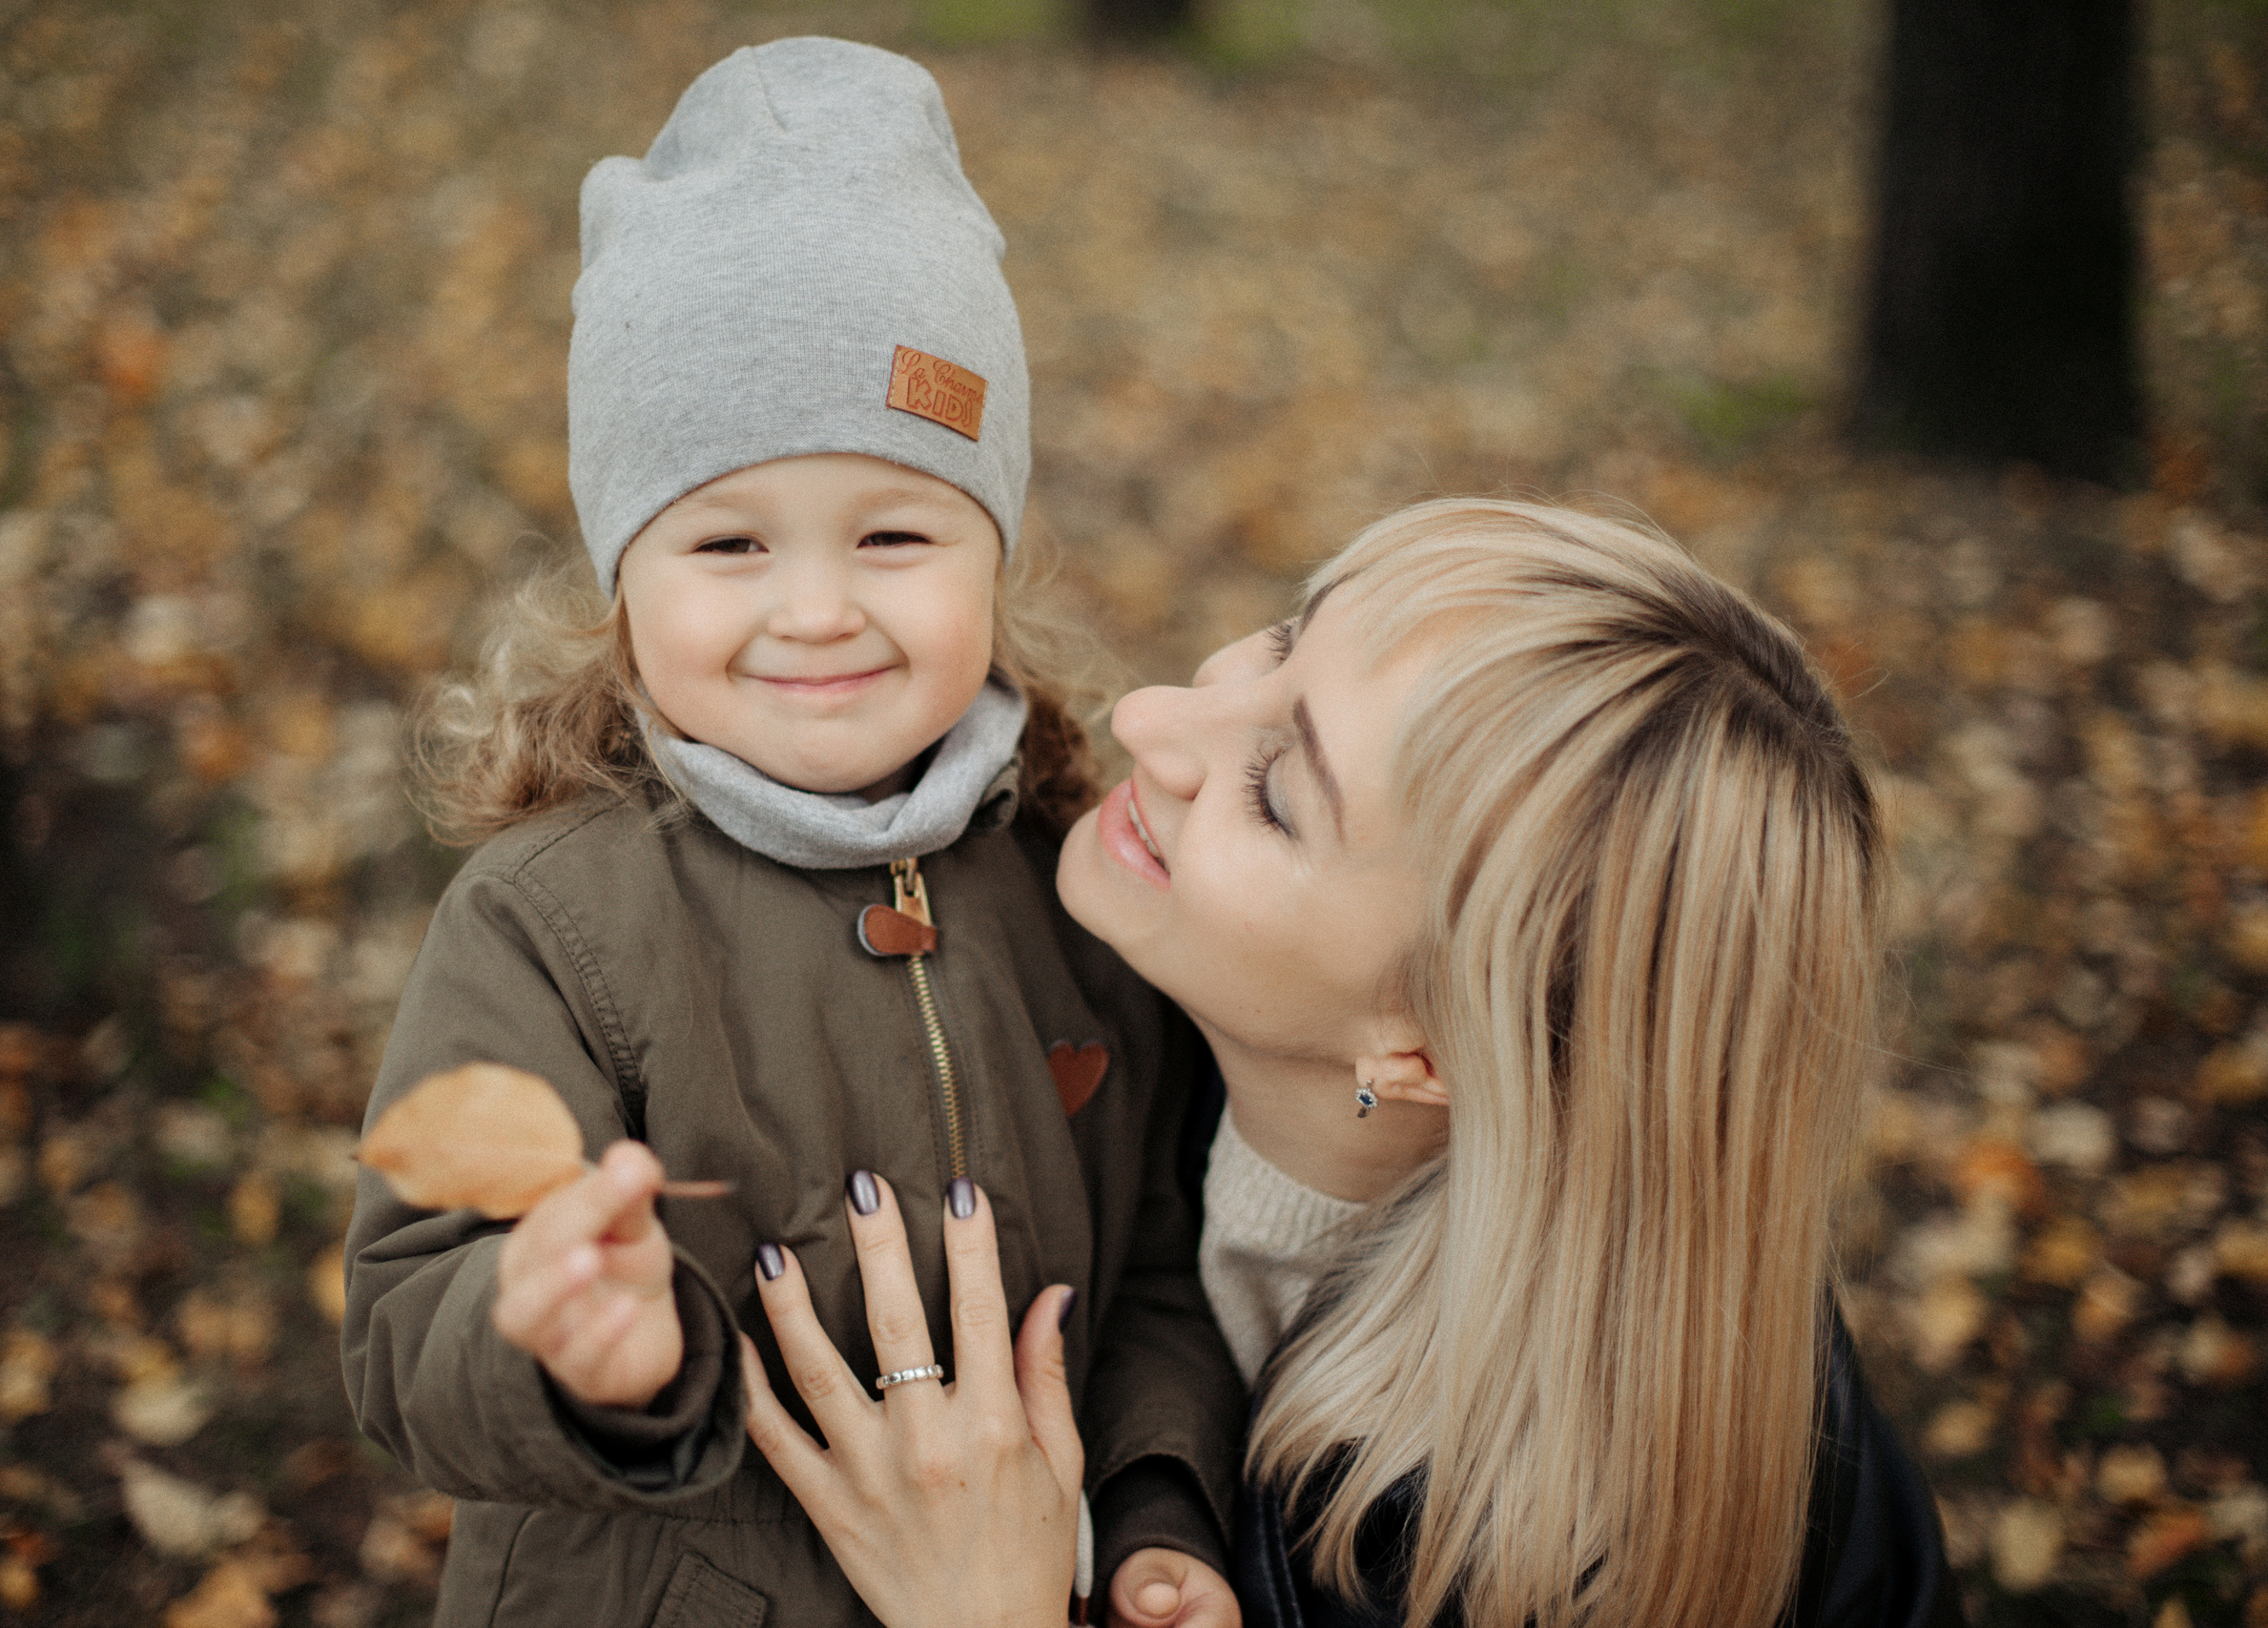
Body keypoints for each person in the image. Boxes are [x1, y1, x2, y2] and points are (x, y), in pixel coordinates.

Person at [340, 38, 1243, 1627]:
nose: (815, 608)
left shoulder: (1076, 883)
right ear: (628, 577)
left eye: (894, 532)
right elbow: (407, 1318)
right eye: (731, 539)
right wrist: (566, 1345)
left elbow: (1161, 1264)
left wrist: (1159, 1502)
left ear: (998, 553)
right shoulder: (546, 922)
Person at [745, 498, 1962, 1628]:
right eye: (1281, 642)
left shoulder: (1502, 1563)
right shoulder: (1110, 1002)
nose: (1150, 717)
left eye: (1276, 794)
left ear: (1427, 1049)